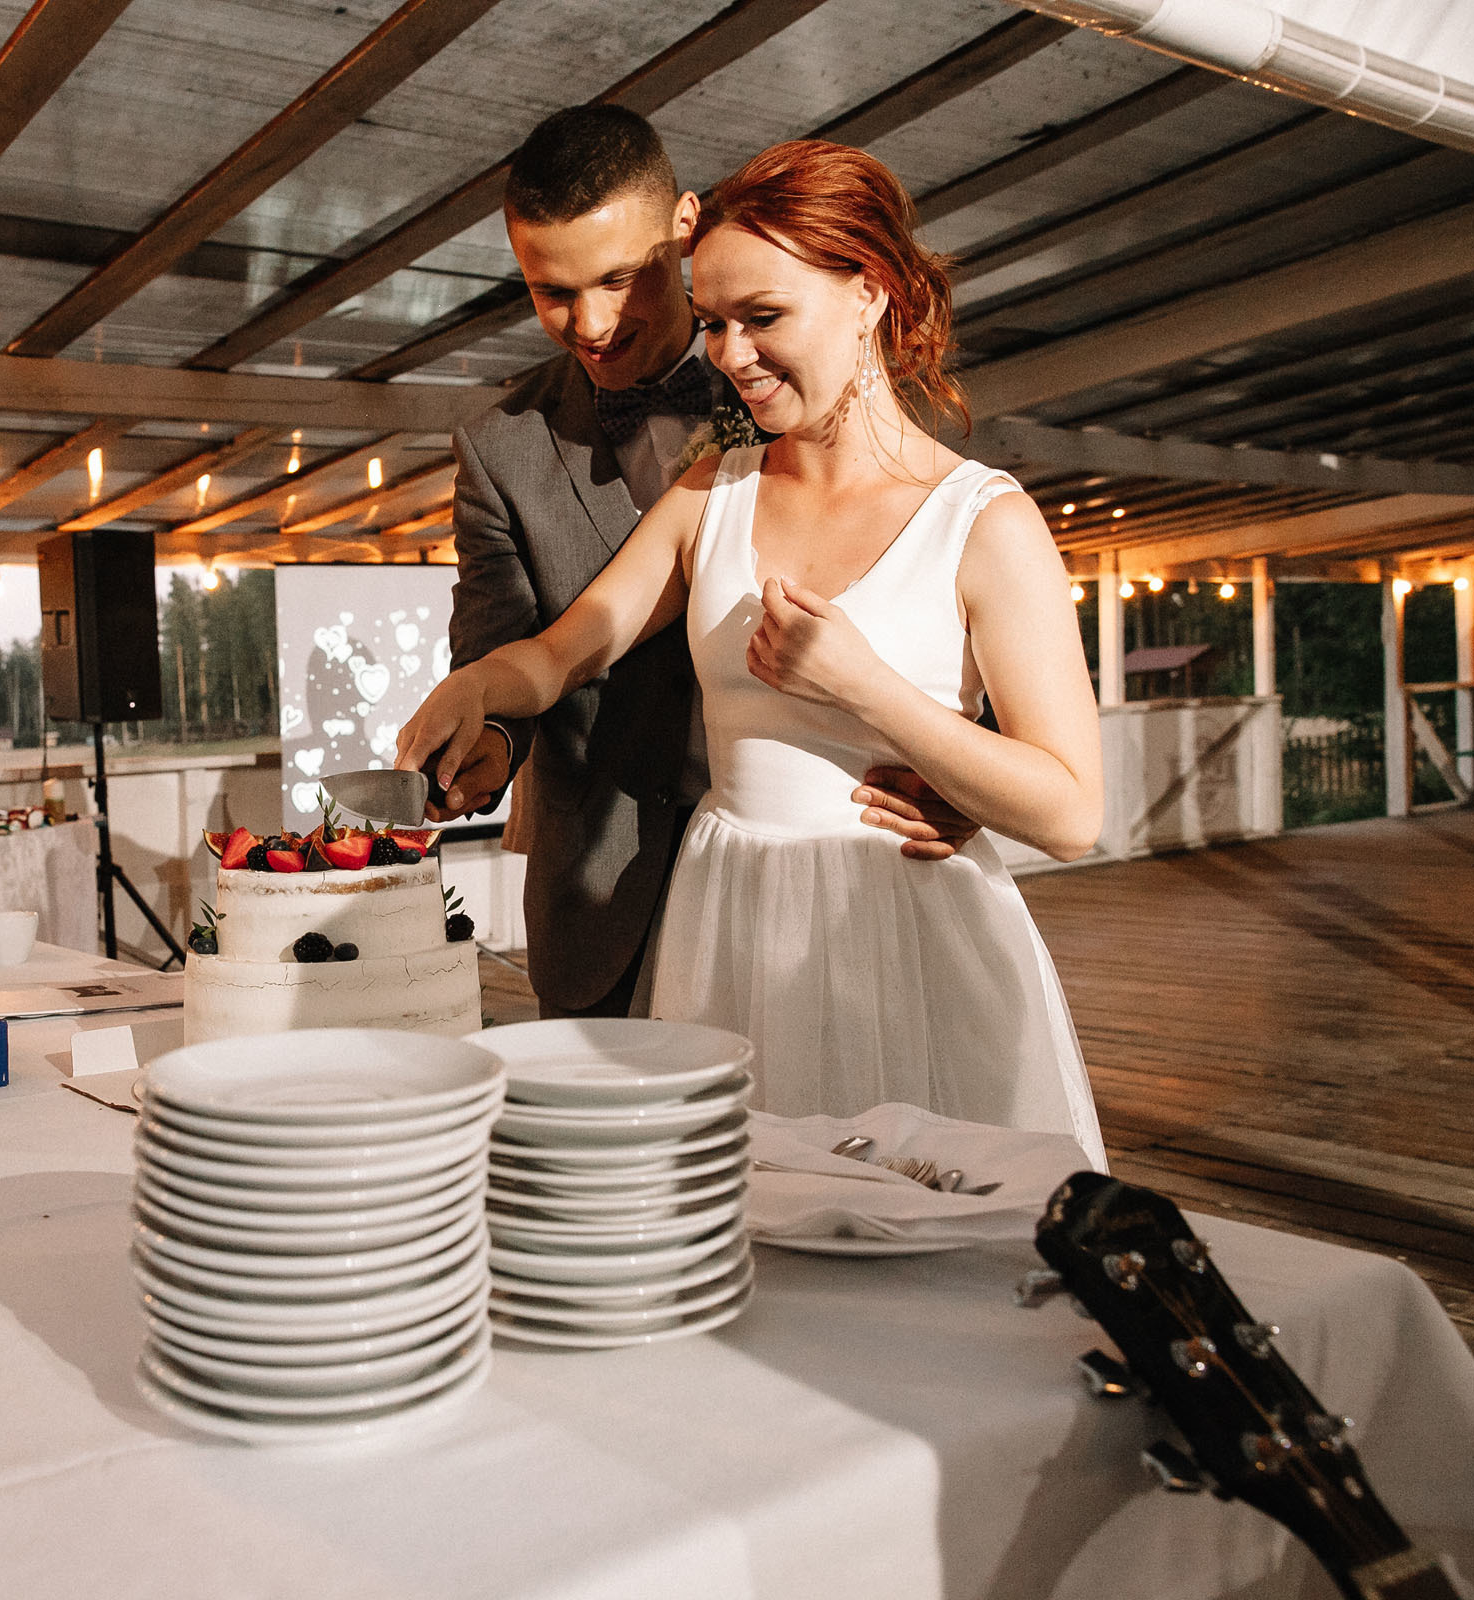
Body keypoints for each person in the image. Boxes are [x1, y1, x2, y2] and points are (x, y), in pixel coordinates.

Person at [402, 139, 1106, 1164]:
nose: (730, 355)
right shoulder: (714, 484)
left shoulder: (985, 519)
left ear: (869, 293)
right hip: (725, 920)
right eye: (717, 320)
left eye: (762, 318)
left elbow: (1073, 811)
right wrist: (477, 686)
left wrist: (868, 690)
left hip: (905, 937)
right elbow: (562, 652)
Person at [435, 106, 975, 1020]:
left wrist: (963, 781)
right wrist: (484, 740)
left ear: (683, 227)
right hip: (603, 895)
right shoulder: (502, 447)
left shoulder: (796, 374)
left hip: (836, 886)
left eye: (617, 278)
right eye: (551, 291)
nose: (591, 322)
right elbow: (519, 649)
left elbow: (938, 583)